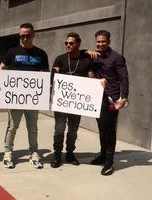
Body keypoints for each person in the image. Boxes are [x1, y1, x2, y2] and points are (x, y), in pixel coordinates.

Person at [0, 23, 49, 169]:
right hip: (16, 98)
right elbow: (1, 68)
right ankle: (8, 153)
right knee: (12, 127)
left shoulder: (41, 53)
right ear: (20, 36)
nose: (25, 38)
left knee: (33, 128)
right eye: (22, 36)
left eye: (28, 35)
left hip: (33, 99)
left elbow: (45, 72)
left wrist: (46, 85)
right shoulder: (12, 52)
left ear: (33, 34)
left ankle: (33, 153)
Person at [50, 32, 94, 168]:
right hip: (62, 102)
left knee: (73, 130)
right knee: (59, 130)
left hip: (77, 103)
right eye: (66, 43)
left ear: (78, 43)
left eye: (71, 43)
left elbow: (92, 78)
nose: (68, 45)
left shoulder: (86, 60)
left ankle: (69, 153)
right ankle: (57, 154)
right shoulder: (60, 59)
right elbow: (54, 74)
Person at [89, 30, 129, 176]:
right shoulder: (94, 56)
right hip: (97, 98)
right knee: (101, 129)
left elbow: (124, 78)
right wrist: (87, 51)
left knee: (110, 130)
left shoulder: (117, 57)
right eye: (98, 41)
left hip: (112, 99)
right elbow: (78, 54)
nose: (100, 44)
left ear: (109, 41)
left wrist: (124, 97)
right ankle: (102, 155)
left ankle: (109, 162)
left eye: (103, 41)